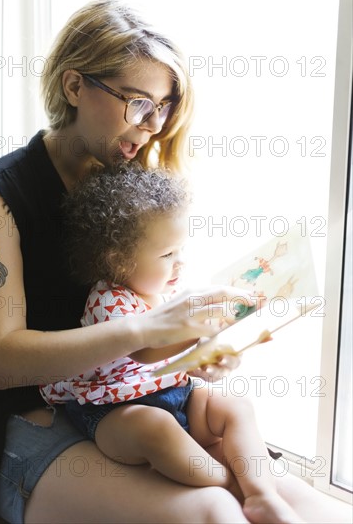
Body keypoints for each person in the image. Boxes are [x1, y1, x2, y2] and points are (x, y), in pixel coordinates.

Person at [0, 0, 350, 524]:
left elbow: (146, 313)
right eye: (138, 103)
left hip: (137, 396)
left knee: (316, 510)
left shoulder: (128, 173)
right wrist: (148, 327)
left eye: (162, 108)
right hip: (29, 417)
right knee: (215, 510)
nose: (153, 126)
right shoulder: (1, 196)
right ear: (73, 87)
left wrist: (198, 346)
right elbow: (1, 364)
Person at [40, 164, 304, 524]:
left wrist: (215, 351)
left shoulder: (166, 293)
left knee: (233, 405)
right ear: (119, 261)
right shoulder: (108, 300)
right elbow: (144, 349)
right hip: (114, 410)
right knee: (156, 429)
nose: (180, 262)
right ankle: (227, 483)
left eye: (181, 249)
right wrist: (198, 330)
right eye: (167, 255)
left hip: (176, 393)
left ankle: (261, 494)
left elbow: (178, 361)